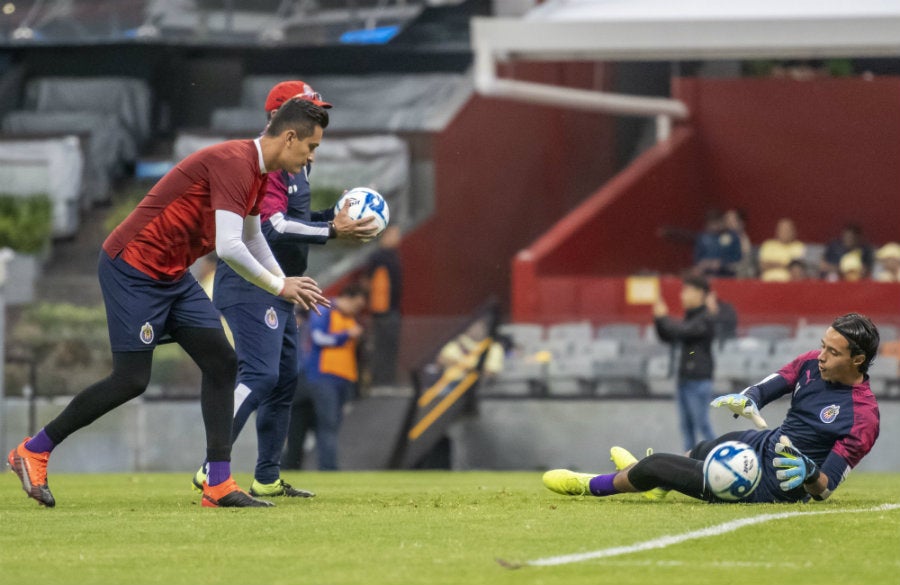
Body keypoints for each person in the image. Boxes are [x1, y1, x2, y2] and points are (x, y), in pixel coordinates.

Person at [7, 97, 332, 508]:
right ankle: (34, 450)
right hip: (133, 266)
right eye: (312, 146)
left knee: (222, 362)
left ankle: (218, 483)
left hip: (172, 274)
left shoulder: (257, 172)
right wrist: (279, 287)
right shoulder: (236, 162)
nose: (311, 156)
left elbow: (252, 238)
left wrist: (283, 280)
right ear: (289, 137)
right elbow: (229, 246)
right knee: (131, 379)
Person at [190, 80, 378, 498]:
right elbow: (271, 227)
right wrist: (331, 229)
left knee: (285, 378)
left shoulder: (298, 163)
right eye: (309, 109)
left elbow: (293, 217)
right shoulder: (266, 163)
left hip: (280, 286)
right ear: (281, 119)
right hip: (249, 280)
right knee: (260, 374)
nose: (316, 124)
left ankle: (268, 476)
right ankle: (211, 465)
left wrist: (332, 216)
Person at [543, 313, 880, 504]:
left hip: (771, 485)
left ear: (858, 360)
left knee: (657, 464)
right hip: (764, 443)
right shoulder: (811, 363)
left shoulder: (863, 417)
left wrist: (808, 475)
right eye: (822, 346)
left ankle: (591, 484)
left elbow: (825, 488)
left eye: (833, 353)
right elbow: (774, 383)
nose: (821, 356)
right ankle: (654, 484)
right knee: (703, 448)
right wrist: (750, 398)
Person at [306, 283, 368, 470]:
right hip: (324, 376)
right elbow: (318, 338)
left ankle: (328, 465)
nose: (357, 310)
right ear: (347, 298)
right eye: (356, 305)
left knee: (335, 424)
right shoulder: (325, 311)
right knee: (328, 424)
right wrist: (346, 335)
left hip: (344, 377)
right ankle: (328, 468)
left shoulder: (350, 318)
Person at [653, 275, 718, 452]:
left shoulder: (705, 317)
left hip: (698, 379)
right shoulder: (691, 317)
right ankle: (688, 467)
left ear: (700, 294)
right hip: (685, 378)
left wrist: (663, 318)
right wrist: (659, 320)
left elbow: (682, 331)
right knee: (687, 428)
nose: (682, 295)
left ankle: (722, 459)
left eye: (687, 291)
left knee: (702, 425)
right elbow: (668, 335)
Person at [364, 225, 404, 387]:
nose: (397, 238)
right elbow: (367, 281)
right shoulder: (377, 257)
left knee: (391, 347)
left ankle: (388, 380)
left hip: (393, 309)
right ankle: (378, 381)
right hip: (382, 311)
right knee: (380, 347)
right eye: (394, 234)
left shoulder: (394, 255)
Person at [692, 209, 742, 278]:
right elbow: (697, 259)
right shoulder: (703, 238)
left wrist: (722, 264)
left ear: (722, 221)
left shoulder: (733, 237)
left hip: (726, 277)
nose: (714, 226)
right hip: (706, 277)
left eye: (716, 222)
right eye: (711, 223)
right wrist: (704, 264)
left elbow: (738, 260)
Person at [757, 217, 805, 282]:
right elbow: (763, 265)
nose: (785, 232)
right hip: (768, 283)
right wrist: (785, 265)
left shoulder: (799, 246)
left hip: (790, 284)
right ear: (777, 231)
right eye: (782, 230)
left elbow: (797, 268)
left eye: (787, 230)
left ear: (793, 231)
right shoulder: (768, 245)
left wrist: (773, 263)